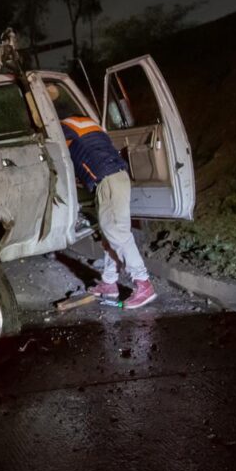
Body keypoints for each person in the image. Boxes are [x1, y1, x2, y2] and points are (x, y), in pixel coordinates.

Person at [48, 84, 156, 308]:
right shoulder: (87, 123)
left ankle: (143, 283)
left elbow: (53, 149)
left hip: (106, 180)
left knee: (117, 233)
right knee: (110, 234)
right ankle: (109, 283)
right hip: (117, 177)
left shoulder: (63, 129)